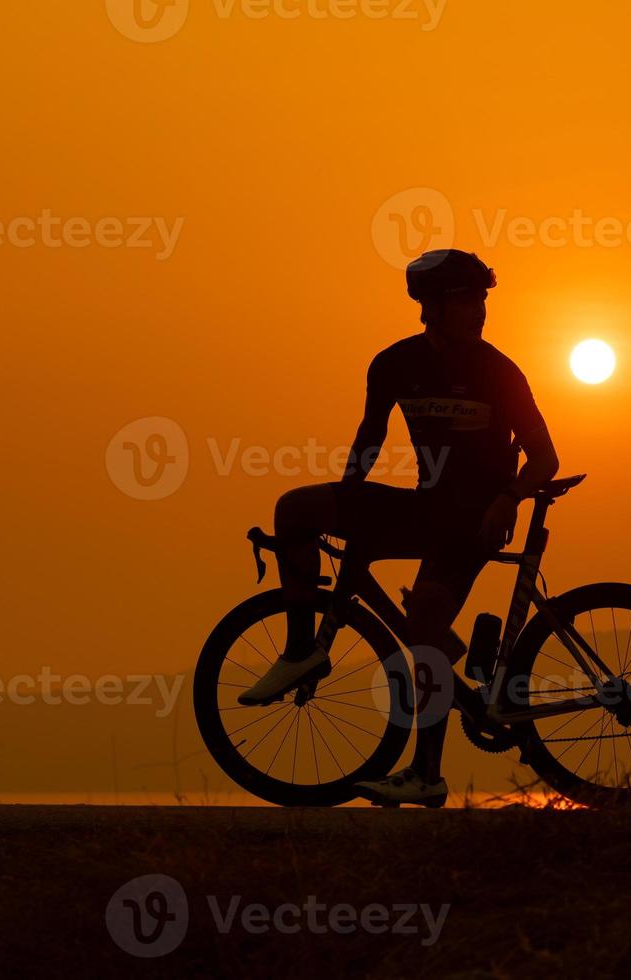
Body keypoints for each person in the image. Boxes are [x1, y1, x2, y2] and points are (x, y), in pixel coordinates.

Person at [238, 249, 560, 807]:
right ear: (431, 306)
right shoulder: (393, 364)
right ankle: (301, 651)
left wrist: (509, 498)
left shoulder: (500, 372)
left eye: (483, 300)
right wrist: (347, 504)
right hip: (426, 507)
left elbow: (545, 460)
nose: (480, 312)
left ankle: (426, 773)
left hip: (473, 520)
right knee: (295, 510)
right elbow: (369, 439)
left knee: (428, 620)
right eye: (467, 301)